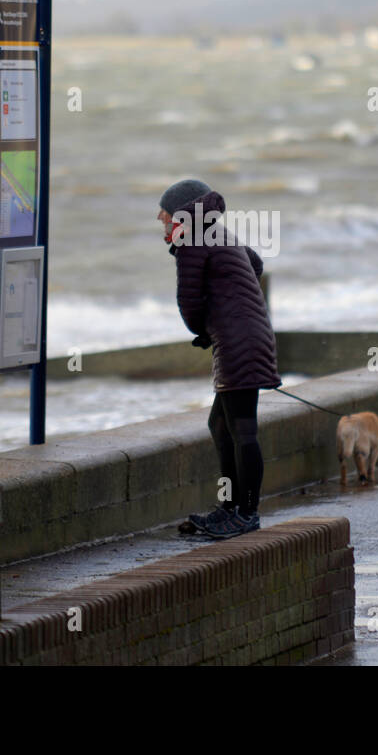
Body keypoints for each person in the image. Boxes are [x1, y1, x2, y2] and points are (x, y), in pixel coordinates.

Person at [158, 179, 281, 538]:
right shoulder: (216, 232)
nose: (159, 218)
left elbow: (189, 301)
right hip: (251, 335)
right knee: (220, 425)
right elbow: (254, 264)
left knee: (242, 431)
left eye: (164, 212)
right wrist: (230, 306)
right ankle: (229, 508)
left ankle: (246, 513)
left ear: (180, 211)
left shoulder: (193, 239)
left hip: (238, 342)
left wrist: (204, 327)